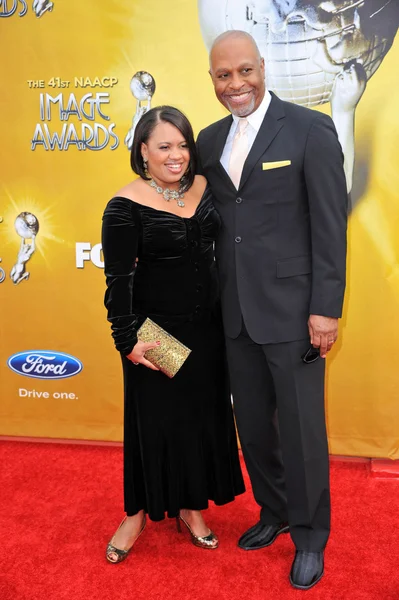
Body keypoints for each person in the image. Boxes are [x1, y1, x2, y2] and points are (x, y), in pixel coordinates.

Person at [197, 31, 347, 590]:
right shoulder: (208, 142)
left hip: (295, 313)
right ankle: (275, 511)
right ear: (211, 79)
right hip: (234, 313)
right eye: (222, 76)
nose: (235, 84)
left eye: (243, 71)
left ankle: (310, 536)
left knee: (303, 432)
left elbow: (331, 226)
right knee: (255, 428)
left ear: (263, 66)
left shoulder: (310, 129)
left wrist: (325, 309)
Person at [101, 105, 245, 564]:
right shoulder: (124, 205)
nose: (177, 155)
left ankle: (190, 507)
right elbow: (118, 280)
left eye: (183, 144)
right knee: (155, 425)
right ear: (143, 150)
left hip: (209, 329)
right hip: (155, 333)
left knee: (198, 420)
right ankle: (136, 514)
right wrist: (127, 341)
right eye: (164, 146)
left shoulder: (205, 187)